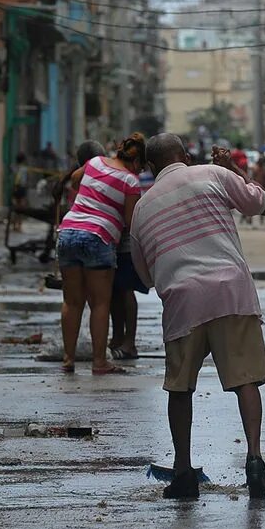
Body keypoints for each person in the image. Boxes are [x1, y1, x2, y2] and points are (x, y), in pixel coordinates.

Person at [129, 134, 265, 500]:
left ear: (151, 167)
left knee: (180, 388)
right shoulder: (213, 174)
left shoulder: (142, 209)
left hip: (182, 303)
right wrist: (235, 169)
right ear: (186, 156)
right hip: (231, 292)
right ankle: (255, 460)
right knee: (246, 380)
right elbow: (263, 204)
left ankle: (183, 472)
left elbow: (145, 276)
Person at [55, 140, 138, 375]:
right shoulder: (130, 180)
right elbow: (131, 222)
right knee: (99, 303)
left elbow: (74, 180)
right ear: (137, 161)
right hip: (98, 236)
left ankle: (68, 358)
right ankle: (99, 361)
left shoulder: (94, 162)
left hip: (68, 231)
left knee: (71, 302)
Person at [109, 135, 149, 361]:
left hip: (121, 241)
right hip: (117, 240)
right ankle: (119, 338)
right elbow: (130, 218)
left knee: (124, 292)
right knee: (118, 291)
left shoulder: (125, 176)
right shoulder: (129, 178)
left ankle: (128, 341)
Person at [10, 152, 30, 232]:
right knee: (21, 208)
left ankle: (14, 225)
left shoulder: (13, 167)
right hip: (22, 188)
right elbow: (27, 179)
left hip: (15, 188)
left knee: (15, 206)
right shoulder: (25, 168)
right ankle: (19, 225)